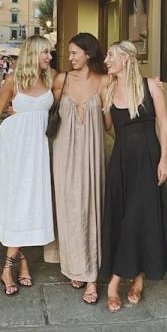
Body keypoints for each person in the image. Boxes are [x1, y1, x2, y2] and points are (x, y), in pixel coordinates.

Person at [0, 35, 56, 296]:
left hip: (37, 151)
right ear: (33, 53)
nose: (49, 57)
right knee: (15, 202)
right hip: (12, 148)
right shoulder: (13, 81)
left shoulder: (52, 79)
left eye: (50, 53)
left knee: (27, 203)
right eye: (45, 53)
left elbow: (85, 82)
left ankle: (17, 262)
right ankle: (11, 266)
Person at [99, 40, 167, 313]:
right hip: (120, 162)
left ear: (126, 59)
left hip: (148, 159)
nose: (106, 60)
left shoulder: (151, 86)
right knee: (124, 217)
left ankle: (115, 282)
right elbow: (108, 127)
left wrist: (164, 159)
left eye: (110, 55)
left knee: (138, 218)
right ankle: (137, 278)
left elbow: (163, 123)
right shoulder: (108, 87)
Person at [46, 33, 107, 304]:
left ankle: (91, 276)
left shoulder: (104, 82)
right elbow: (43, 108)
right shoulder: (62, 80)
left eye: (74, 53)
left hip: (92, 155)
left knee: (92, 208)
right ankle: (74, 265)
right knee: (69, 208)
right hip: (64, 154)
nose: (69, 57)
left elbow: (108, 124)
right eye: (69, 53)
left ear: (89, 54)